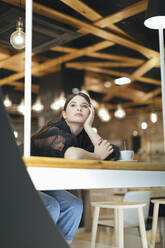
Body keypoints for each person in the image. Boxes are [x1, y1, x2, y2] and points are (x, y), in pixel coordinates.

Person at [31, 92, 120, 243]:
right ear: (64, 114)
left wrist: (89, 127)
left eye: (84, 106)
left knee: (74, 205)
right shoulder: (53, 130)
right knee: (51, 206)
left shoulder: (83, 138)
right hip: (17, 178)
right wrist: (97, 156)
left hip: (42, 184)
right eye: (73, 105)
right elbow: (72, 155)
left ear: (90, 113)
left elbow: (112, 153)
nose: (79, 108)